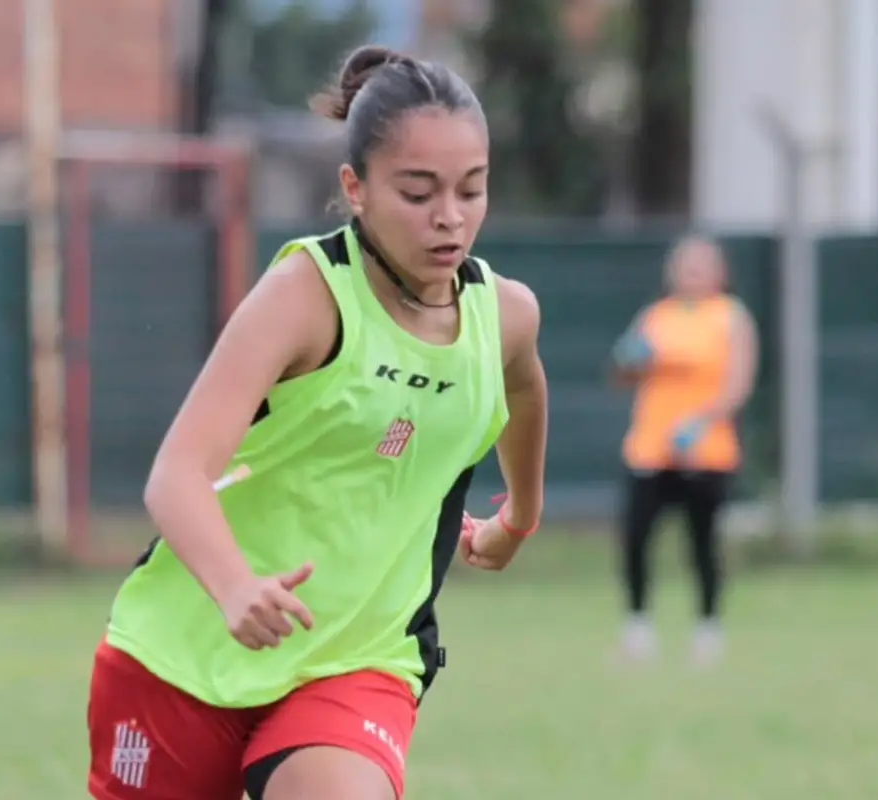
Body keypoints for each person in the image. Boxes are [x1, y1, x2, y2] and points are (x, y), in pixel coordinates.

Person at [85, 45, 548, 800]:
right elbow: (176, 474)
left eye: (472, 189)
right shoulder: (305, 296)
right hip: (180, 654)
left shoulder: (505, 316)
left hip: (356, 662)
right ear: (355, 188)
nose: (450, 217)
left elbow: (524, 389)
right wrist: (235, 587)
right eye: (419, 191)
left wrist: (519, 516)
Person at [608, 235, 758, 666]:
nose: (690, 274)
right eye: (683, 266)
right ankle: (637, 628)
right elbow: (623, 375)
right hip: (649, 450)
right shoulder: (654, 317)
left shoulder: (731, 318)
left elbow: (739, 384)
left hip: (705, 452)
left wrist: (701, 422)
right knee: (635, 540)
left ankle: (708, 628)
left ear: (719, 273)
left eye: (700, 266)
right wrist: (630, 359)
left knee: (702, 543)